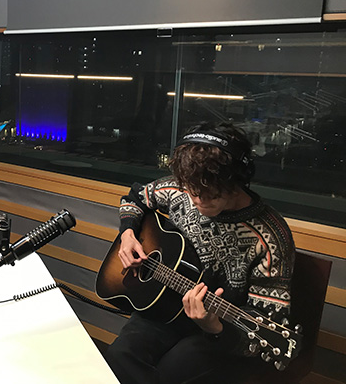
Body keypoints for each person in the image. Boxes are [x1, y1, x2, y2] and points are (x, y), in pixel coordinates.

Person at [105, 121, 295, 384]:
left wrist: (214, 327)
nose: (196, 201)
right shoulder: (183, 189)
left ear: (236, 180)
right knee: (119, 356)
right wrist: (127, 233)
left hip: (217, 328)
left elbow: (268, 318)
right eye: (192, 192)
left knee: (169, 373)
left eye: (209, 195)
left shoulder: (271, 236)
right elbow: (135, 197)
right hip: (164, 306)